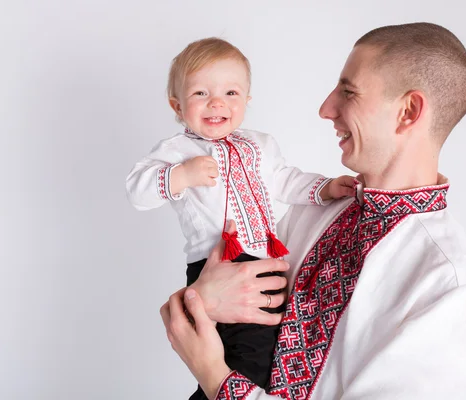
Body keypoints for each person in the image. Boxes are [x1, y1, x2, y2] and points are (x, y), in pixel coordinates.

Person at [160, 23, 466, 400]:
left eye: (348, 92)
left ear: (408, 111)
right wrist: (199, 302)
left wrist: (218, 381)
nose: (325, 108)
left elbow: (211, 361)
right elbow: (204, 321)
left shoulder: (454, 288)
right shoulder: (312, 213)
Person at [126, 37, 355, 400]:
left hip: (266, 261)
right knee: (250, 358)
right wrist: (180, 176)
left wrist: (325, 188)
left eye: (231, 92)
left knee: (261, 356)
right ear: (177, 104)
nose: (217, 102)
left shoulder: (260, 145)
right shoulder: (177, 151)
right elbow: (137, 191)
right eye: (201, 93)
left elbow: (285, 180)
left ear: (246, 101)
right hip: (217, 266)